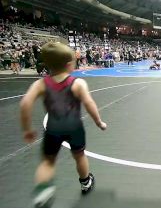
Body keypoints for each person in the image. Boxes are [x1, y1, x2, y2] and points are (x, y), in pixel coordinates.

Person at [20, 42, 107, 208]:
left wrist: (27, 130)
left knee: (48, 162)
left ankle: (43, 195)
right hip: (74, 127)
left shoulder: (41, 84)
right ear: (69, 65)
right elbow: (90, 104)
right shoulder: (78, 83)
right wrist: (99, 122)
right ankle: (85, 182)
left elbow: (25, 104)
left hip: (53, 128)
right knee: (79, 155)